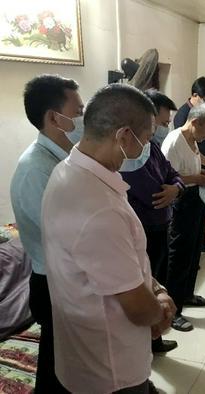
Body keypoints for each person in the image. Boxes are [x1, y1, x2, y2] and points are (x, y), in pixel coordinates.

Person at [41, 84, 176, 394]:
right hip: (111, 370)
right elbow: (138, 309)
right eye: (145, 139)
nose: (146, 148)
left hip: (84, 355)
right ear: (124, 136)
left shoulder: (68, 171)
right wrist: (162, 312)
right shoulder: (97, 207)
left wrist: (157, 287)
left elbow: (125, 259)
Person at [10, 74, 84, 393]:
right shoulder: (36, 168)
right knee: (57, 373)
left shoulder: (65, 159)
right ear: (55, 117)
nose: (84, 120)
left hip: (69, 280)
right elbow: (66, 235)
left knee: (72, 365)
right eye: (78, 112)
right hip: (53, 284)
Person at [120, 89, 183, 354]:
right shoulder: (126, 158)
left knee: (159, 282)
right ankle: (147, 341)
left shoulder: (151, 148)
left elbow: (172, 174)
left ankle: (155, 338)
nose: (164, 128)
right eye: (162, 123)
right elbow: (149, 191)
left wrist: (176, 189)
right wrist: (167, 189)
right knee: (146, 284)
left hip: (161, 226)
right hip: (142, 228)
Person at [161, 103, 205, 332]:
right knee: (179, 256)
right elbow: (169, 178)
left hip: (195, 199)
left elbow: (191, 168)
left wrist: (201, 174)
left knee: (195, 250)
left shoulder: (193, 140)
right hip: (180, 203)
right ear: (194, 122)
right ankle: (174, 311)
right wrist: (196, 177)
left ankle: (187, 294)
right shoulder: (174, 142)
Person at [173, 76, 205, 254]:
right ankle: (194, 247)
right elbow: (189, 146)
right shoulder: (183, 115)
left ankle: (201, 243)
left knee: (202, 212)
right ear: (195, 95)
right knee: (188, 222)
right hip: (192, 173)